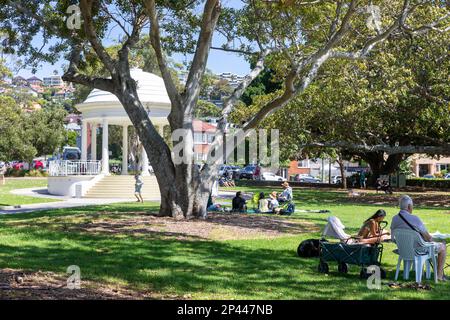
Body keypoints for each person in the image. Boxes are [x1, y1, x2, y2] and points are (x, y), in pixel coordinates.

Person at [391, 195, 447, 282]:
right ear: (409, 206)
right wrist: (435, 242)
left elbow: (392, 237)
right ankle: (439, 276)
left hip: (403, 250)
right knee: (442, 247)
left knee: (433, 246)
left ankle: (409, 274)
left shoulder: (394, 219)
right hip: (419, 250)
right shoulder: (415, 219)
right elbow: (428, 238)